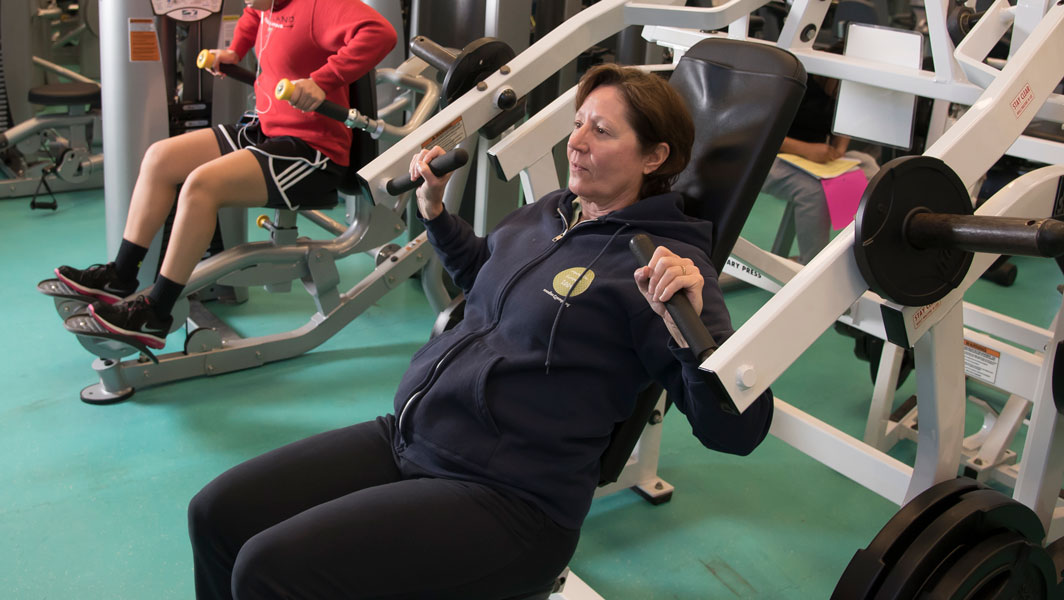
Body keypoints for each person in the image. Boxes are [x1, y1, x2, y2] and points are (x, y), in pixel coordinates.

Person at [186, 63, 775, 600]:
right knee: (216, 513)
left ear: (654, 157)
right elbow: (486, 278)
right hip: (415, 435)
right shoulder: (554, 211)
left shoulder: (664, 265)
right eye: (578, 124)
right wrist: (437, 214)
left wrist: (694, 332)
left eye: (602, 131)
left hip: (510, 499)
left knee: (267, 569)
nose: (576, 142)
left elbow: (735, 430)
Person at [52, 0, 397, 349]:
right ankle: (121, 275)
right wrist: (235, 51)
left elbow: (380, 33)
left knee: (201, 186)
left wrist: (324, 80)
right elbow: (253, 14)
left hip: (311, 151)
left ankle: (155, 312)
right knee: (160, 157)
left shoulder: (319, 5)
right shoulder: (265, 3)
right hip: (266, 127)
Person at [761, 74, 879, 264]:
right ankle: (812, 264)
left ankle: (872, 254)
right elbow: (760, 129)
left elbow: (844, 120)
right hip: (772, 156)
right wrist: (804, 149)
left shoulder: (842, 91)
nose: (841, 90)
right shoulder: (793, 83)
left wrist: (840, 148)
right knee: (814, 191)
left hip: (815, 159)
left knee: (869, 167)